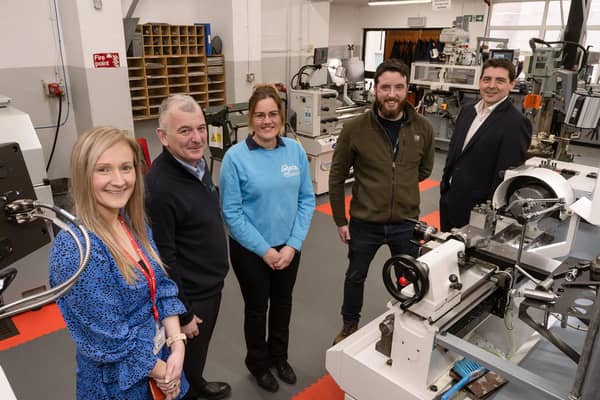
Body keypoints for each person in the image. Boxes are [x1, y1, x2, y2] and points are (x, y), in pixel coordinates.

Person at [49, 126, 189, 400]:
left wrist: (177, 344)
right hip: (119, 383)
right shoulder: (76, 249)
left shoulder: (130, 222)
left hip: (159, 356)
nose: (119, 180)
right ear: (83, 175)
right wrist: (164, 373)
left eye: (126, 168)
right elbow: (109, 339)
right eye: (103, 169)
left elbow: (161, 286)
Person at [328, 60, 435, 344]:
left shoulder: (423, 128)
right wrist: (341, 219)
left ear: (407, 89)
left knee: (410, 279)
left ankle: (408, 325)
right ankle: (349, 325)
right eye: (385, 87)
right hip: (365, 222)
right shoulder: (355, 128)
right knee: (355, 277)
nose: (392, 94)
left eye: (398, 87)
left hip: (406, 222)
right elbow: (337, 176)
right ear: (376, 89)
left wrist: (398, 184)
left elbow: (424, 170)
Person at [219, 84, 315, 393]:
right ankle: (258, 364)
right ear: (250, 119)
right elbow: (231, 212)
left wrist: (293, 245)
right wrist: (265, 251)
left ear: (281, 117)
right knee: (257, 308)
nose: (267, 121)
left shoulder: (295, 151)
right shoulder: (235, 158)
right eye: (260, 115)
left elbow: (306, 200)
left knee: (283, 304)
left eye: (273, 114)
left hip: (288, 247)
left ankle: (279, 357)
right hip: (250, 250)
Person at [145, 95, 231, 400]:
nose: (196, 138)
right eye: (184, 131)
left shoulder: (196, 163)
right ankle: (189, 392)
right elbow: (163, 257)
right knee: (183, 357)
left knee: (198, 353)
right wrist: (182, 314)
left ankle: (196, 383)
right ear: (163, 136)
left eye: (200, 128)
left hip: (210, 283)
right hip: (191, 294)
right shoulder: (159, 186)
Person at [439, 58, 532, 232]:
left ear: (511, 84)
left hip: (477, 210)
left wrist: (489, 214)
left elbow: (505, 176)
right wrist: (445, 187)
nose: (491, 85)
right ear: (480, 81)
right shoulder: (467, 111)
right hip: (449, 201)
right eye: (487, 79)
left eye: (500, 80)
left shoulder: (516, 123)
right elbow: (454, 152)